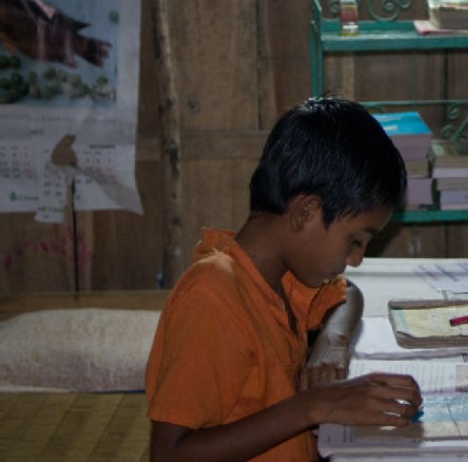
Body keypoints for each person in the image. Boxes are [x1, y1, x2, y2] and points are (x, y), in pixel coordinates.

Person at [145, 97, 423, 462]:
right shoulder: (212, 296)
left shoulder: (284, 278)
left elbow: (347, 295)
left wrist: (333, 342)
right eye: (355, 241)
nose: (355, 259)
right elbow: (169, 454)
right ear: (306, 212)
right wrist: (311, 407)